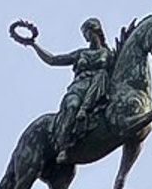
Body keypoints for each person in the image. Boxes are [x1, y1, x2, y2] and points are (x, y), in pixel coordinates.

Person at [23, 18, 114, 163]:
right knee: (72, 106)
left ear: (96, 30)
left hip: (98, 89)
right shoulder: (80, 53)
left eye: (87, 32)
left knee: (101, 75)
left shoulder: (109, 54)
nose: (86, 36)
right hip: (79, 88)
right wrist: (34, 44)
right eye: (84, 33)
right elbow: (53, 60)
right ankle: (63, 145)